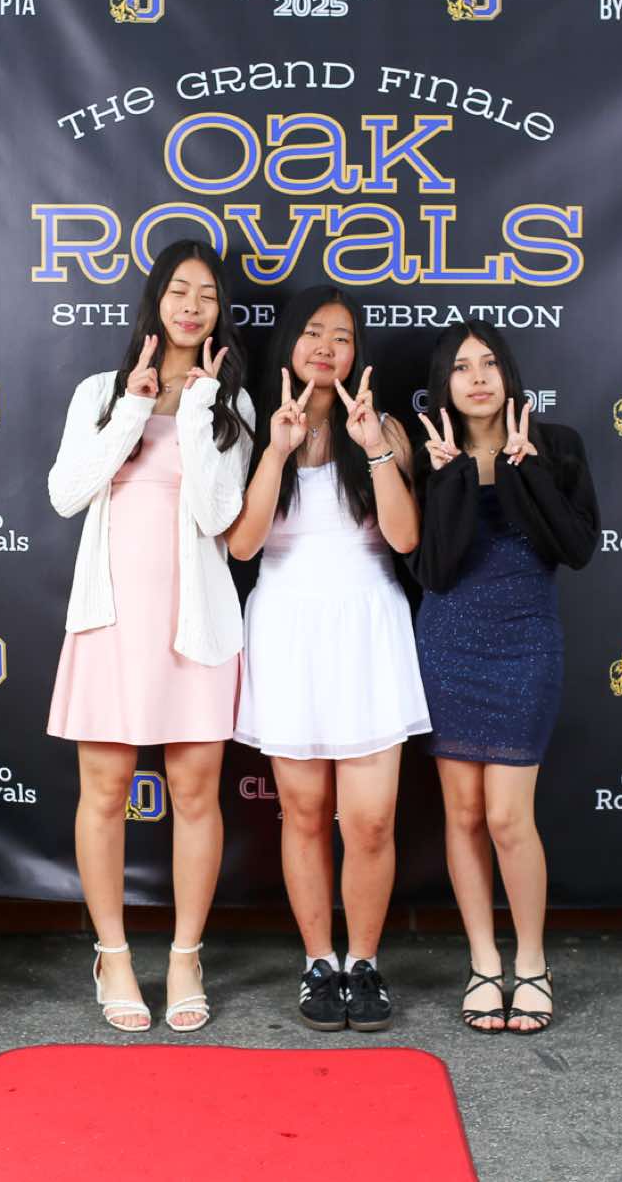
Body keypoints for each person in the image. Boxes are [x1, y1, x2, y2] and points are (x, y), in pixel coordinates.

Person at [46, 239, 254, 1033]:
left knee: (196, 795)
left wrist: (197, 411)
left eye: (207, 294)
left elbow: (218, 515)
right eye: (178, 290)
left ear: (219, 311)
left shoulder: (231, 404)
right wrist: (134, 407)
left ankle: (185, 954)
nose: (191, 306)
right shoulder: (100, 391)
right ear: (155, 301)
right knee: (103, 793)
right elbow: (67, 493)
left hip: (194, 626)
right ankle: (113, 953)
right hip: (111, 621)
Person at [227, 287, 429, 1033]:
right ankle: (319, 962)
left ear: (357, 354)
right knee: (306, 813)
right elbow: (242, 545)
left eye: (342, 337)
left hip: (368, 629)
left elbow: (405, 539)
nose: (326, 347)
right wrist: (277, 449)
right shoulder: (255, 428)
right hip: (288, 631)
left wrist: (373, 445)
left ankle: (364, 962)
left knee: (370, 821)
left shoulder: (383, 428)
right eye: (313, 332)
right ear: (290, 343)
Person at [410, 324, 599, 1035]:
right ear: (445, 384)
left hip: (525, 647)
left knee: (508, 818)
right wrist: (450, 478)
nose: (478, 377)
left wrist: (528, 472)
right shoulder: (430, 454)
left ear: (509, 373)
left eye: (489, 363)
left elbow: (576, 548)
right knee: (462, 815)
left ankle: (533, 963)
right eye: (462, 367)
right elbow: (433, 570)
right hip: (448, 644)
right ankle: (484, 963)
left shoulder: (558, 445)